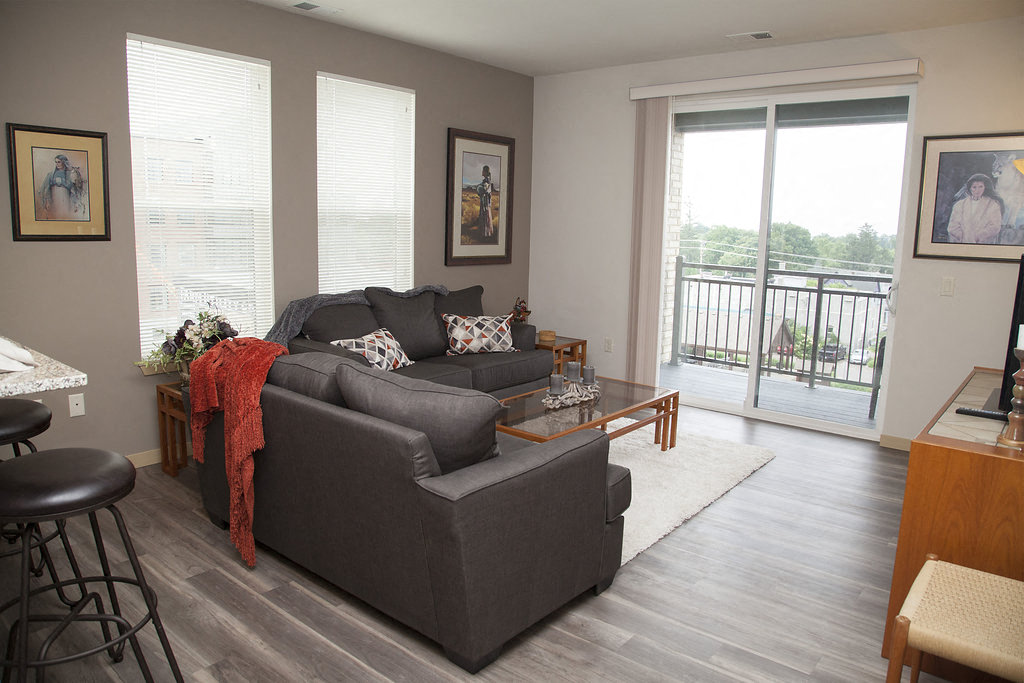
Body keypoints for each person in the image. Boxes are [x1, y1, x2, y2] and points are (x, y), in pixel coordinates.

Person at [946, 172, 1003, 244]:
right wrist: (963, 238)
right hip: (962, 243)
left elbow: (995, 226)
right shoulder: (959, 205)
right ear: (970, 188)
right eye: (974, 187)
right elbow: (952, 226)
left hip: (983, 245)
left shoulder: (993, 205)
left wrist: (978, 237)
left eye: (980, 187)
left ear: (985, 187)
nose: (977, 190)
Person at [38, 153, 85, 220]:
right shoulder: (51, 174)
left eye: (59, 162)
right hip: (55, 198)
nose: (57, 164)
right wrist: (47, 200)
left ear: (64, 162)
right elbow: (46, 188)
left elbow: (74, 189)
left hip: (65, 199)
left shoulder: (70, 174)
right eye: (56, 162)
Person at [476, 165, 494, 238]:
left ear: (485, 172)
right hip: (485, 201)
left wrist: (478, 187)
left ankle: (486, 233)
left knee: (485, 215)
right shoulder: (486, 180)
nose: (482, 172)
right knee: (485, 215)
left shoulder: (487, 180)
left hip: (485, 202)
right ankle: (485, 233)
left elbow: (484, 190)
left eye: (483, 171)